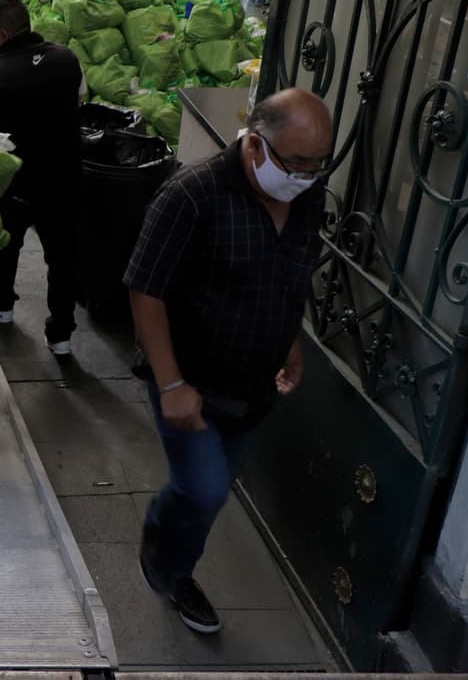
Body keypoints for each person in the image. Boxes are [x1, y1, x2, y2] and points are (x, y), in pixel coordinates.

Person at [123, 89, 333, 635]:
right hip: (191, 379)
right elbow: (146, 290)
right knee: (204, 489)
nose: (308, 176)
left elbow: (291, 277)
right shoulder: (192, 194)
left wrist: (292, 343)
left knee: (209, 495)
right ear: (256, 145)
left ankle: (175, 545)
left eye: (318, 164)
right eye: (297, 163)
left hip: (255, 385)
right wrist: (170, 384)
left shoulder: (308, 195)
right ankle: (168, 565)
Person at [0, 0, 85, 355]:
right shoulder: (67, 57)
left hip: (18, 181)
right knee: (63, 255)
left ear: (1, 34)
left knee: (5, 242)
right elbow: (77, 103)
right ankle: (61, 334)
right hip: (66, 174)